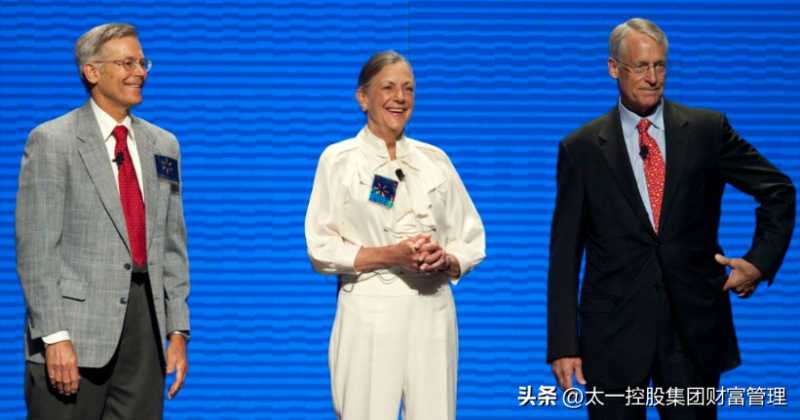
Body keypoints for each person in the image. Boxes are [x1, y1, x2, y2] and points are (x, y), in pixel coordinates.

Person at [547, 17, 795, 419]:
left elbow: (778, 191)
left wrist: (759, 262)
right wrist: (563, 343)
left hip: (691, 330)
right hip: (612, 334)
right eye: (640, 67)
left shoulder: (707, 131)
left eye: (660, 66)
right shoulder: (582, 149)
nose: (652, 78)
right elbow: (565, 253)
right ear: (613, 68)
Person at [16, 22, 191, 420]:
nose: (140, 72)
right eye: (127, 63)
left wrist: (177, 331)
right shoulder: (53, 141)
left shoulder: (163, 145)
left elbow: (172, 245)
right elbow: (37, 250)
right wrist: (54, 336)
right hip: (73, 333)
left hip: (144, 332)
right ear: (92, 72)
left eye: (143, 63)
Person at [305, 50, 485, 420]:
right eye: (388, 88)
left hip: (433, 308)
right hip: (370, 307)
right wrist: (391, 255)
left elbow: (470, 236)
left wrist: (447, 259)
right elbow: (321, 245)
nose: (400, 98)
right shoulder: (338, 160)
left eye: (408, 89)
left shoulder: (435, 160)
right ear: (363, 97)